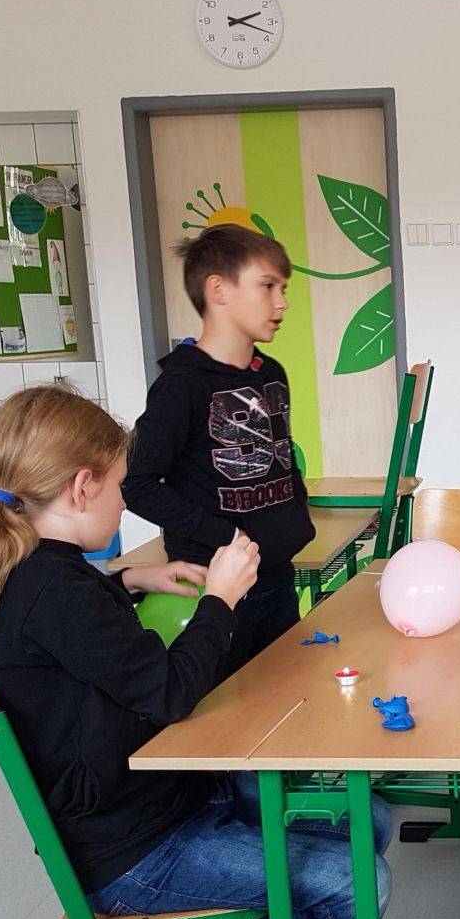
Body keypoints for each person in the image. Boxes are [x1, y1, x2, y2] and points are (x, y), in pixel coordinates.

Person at [0, 384, 390, 919]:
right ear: (82, 486)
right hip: (132, 851)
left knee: (368, 819)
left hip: (151, 796)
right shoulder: (53, 591)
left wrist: (132, 578)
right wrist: (222, 599)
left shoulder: (40, 567)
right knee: (353, 879)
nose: (125, 502)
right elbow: (169, 692)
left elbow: (72, 622)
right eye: (118, 486)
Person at [123, 224, 316, 678]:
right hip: (217, 589)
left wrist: (296, 516)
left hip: (275, 577)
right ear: (218, 291)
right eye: (267, 286)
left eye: (283, 289)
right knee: (225, 708)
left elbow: (281, 456)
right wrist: (226, 536)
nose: (282, 302)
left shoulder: (271, 373)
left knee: (284, 693)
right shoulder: (180, 386)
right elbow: (137, 485)